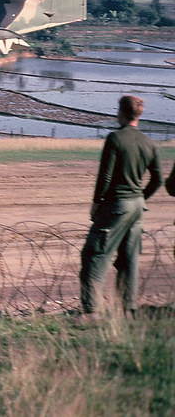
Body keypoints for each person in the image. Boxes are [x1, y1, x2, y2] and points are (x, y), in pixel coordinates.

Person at [78, 95, 162, 319]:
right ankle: (129, 309)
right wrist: (141, 197)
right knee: (129, 258)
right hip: (137, 207)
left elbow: (105, 176)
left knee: (94, 254)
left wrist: (97, 203)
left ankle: (92, 310)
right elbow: (158, 179)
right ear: (139, 114)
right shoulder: (148, 142)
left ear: (122, 112)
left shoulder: (115, 138)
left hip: (117, 205)